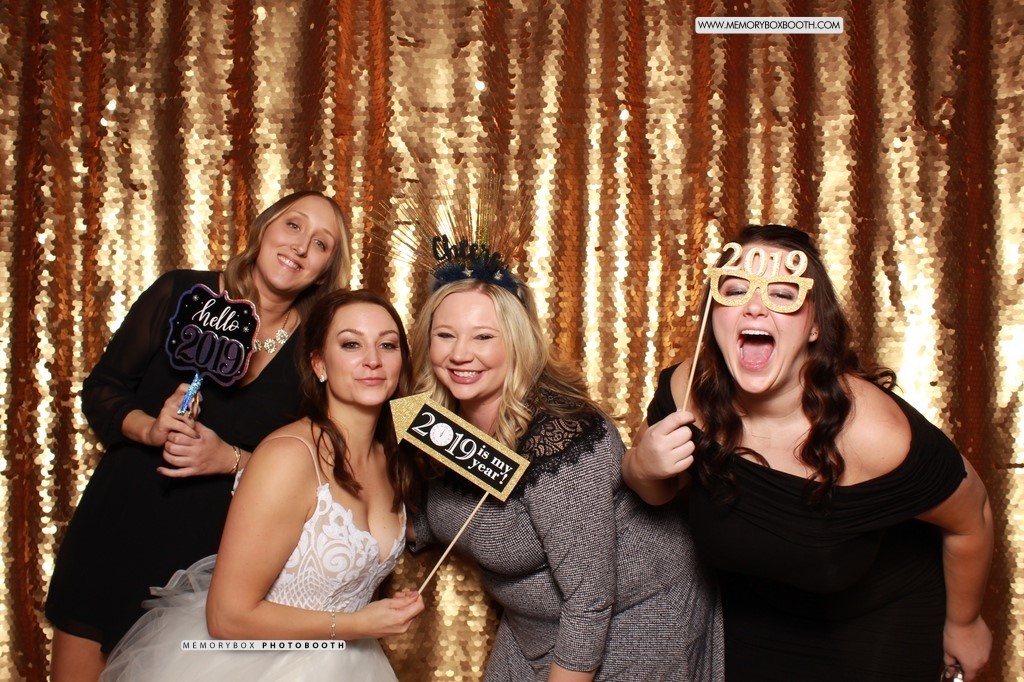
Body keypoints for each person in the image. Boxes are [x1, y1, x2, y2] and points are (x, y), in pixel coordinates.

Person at [623, 224, 994, 682]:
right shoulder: (687, 390)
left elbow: (972, 516)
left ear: (816, 326)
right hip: (752, 618)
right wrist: (640, 467)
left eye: (783, 294)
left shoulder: (873, 432)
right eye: (735, 290)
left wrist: (964, 623)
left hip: (873, 628)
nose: (754, 306)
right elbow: (655, 494)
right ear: (713, 314)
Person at [46, 191, 351, 681]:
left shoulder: (315, 351)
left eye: (321, 244)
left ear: (324, 271)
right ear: (265, 229)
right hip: (119, 526)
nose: (300, 246)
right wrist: (150, 428)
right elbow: (103, 388)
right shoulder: (182, 294)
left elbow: (322, 465)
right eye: (293, 226)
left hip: (212, 562)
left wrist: (230, 459)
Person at [409, 256, 724, 680]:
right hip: (532, 628)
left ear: (517, 343)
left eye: (483, 336)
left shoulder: (563, 436)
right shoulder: (437, 423)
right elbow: (453, 512)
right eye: (445, 335)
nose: (460, 354)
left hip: (637, 618)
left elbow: (589, 600)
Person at [99, 288, 424, 680]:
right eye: (351, 344)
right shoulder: (288, 456)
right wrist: (357, 624)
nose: (372, 360)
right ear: (319, 363)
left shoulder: (390, 460)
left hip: (354, 666)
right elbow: (226, 617)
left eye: (387, 345)